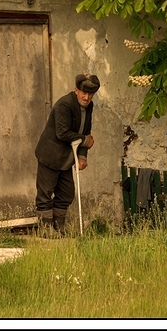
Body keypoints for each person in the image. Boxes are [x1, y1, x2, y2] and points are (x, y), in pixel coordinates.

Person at [34, 73, 100, 237]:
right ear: (76, 90)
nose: (86, 97)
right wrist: (85, 141)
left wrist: (82, 156)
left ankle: (59, 228)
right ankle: (46, 231)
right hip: (50, 154)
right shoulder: (64, 105)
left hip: (66, 157)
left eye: (90, 94)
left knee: (66, 193)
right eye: (83, 93)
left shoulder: (89, 106)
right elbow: (62, 133)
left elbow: (86, 133)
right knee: (45, 193)